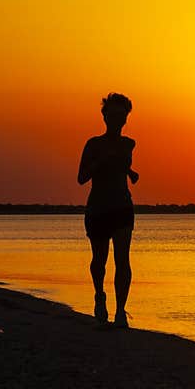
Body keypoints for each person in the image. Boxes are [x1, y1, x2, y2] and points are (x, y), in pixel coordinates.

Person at [77, 92, 139, 328]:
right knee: (99, 260)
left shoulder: (128, 144)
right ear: (104, 116)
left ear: (125, 119)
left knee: (122, 259)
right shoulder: (93, 144)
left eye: (121, 116)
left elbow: (123, 166)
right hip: (98, 208)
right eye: (112, 115)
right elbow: (81, 177)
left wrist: (131, 174)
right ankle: (99, 296)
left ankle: (121, 311)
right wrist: (99, 162)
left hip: (122, 206)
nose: (116, 120)